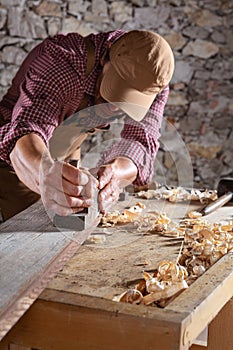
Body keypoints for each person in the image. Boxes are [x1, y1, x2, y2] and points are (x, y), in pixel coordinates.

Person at [0, 29, 174, 222]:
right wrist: (45, 172)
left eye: (127, 102)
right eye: (114, 92)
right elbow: (27, 127)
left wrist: (116, 173)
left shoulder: (154, 80)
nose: (113, 108)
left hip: (64, 152)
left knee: (72, 223)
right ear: (105, 58)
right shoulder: (61, 61)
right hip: (18, 153)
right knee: (31, 229)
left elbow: (141, 141)